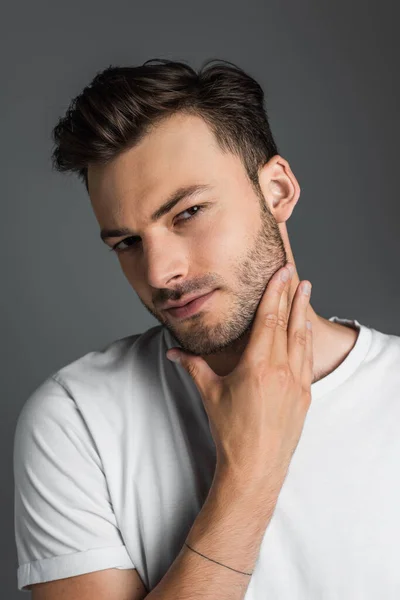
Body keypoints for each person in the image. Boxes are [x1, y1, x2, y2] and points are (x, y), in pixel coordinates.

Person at [13, 58, 400, 600]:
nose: (157, 272)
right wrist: (251, 476)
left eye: (188, 213)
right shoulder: (76, 421)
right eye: (127, 243)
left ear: (278, 191)